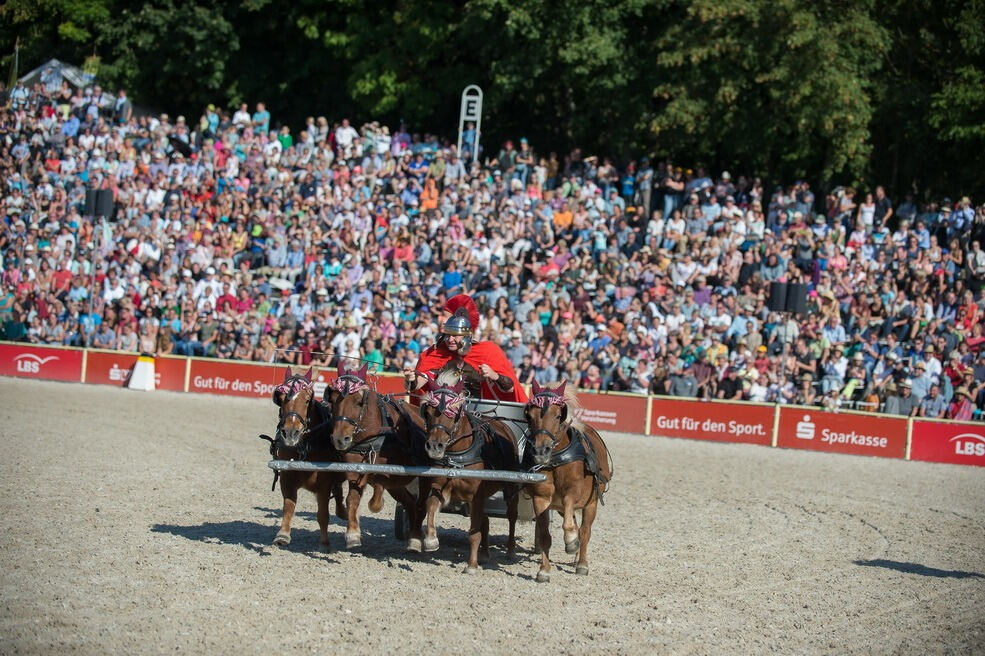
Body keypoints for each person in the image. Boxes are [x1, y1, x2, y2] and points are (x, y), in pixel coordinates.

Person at [405, 294, 528, 402]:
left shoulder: (487, 352)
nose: (449, 339)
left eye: (455, 335)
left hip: (483, 414)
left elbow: (510, 388)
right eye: (447, 335)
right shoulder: (437, 354)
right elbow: (419, 383)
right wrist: (412, 379)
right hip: (445, 415)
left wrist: (494, 375)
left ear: (467, 336)